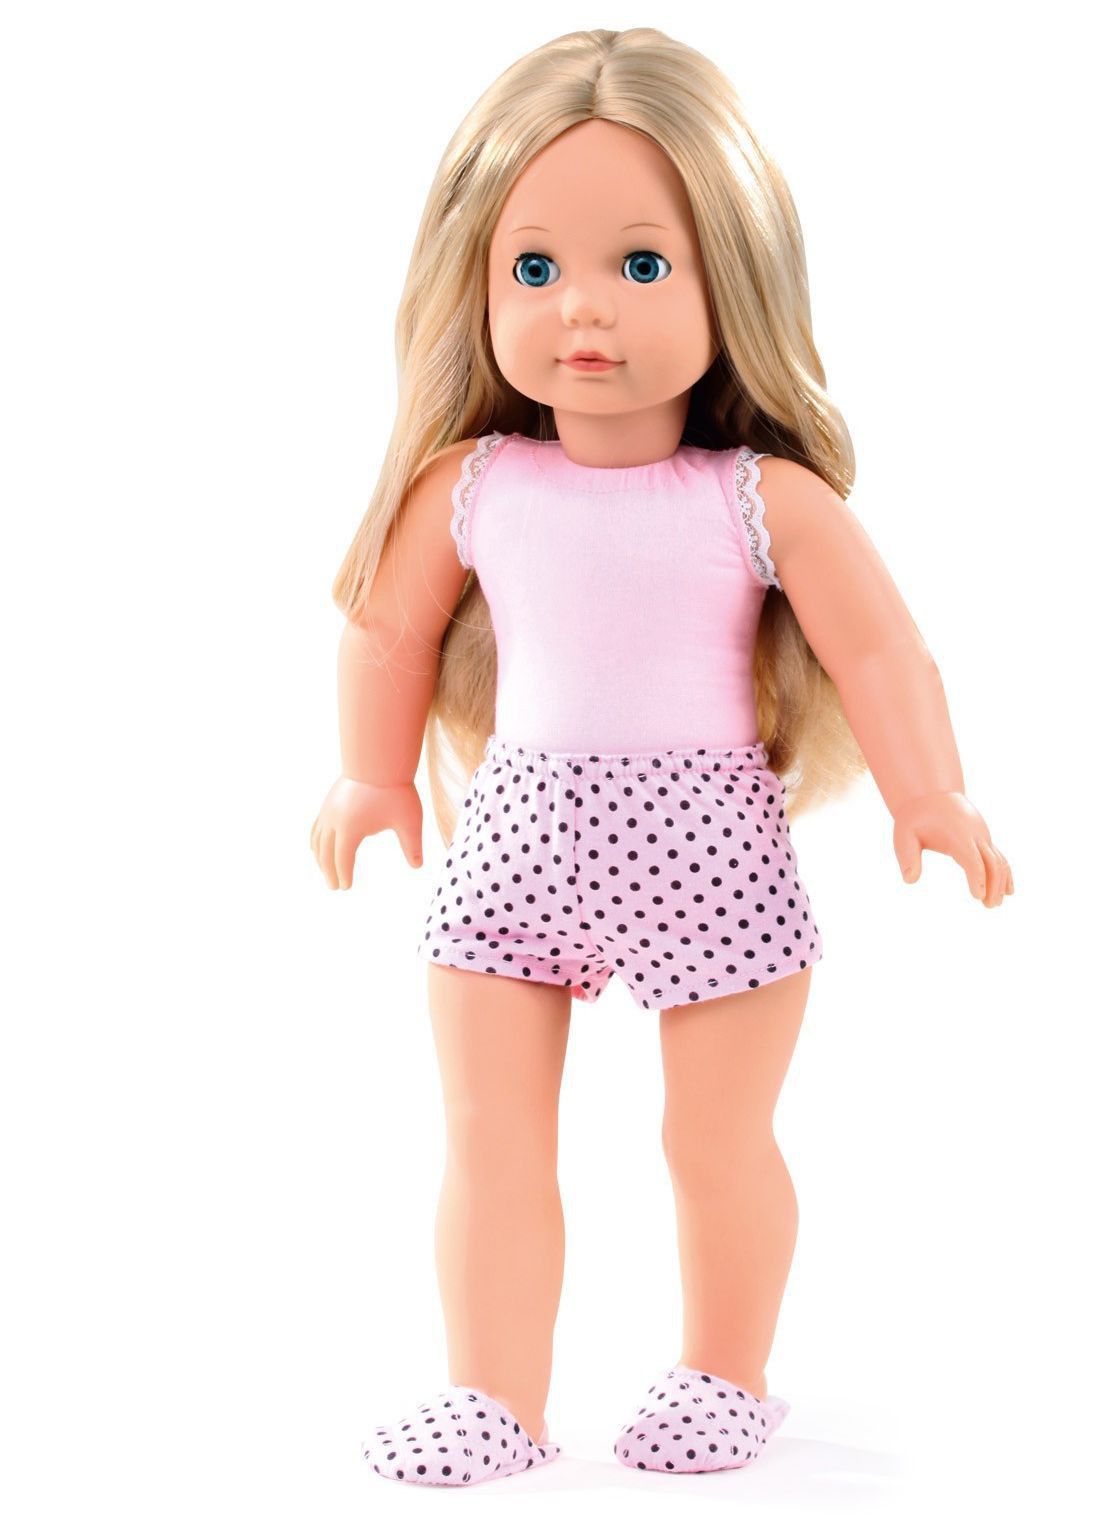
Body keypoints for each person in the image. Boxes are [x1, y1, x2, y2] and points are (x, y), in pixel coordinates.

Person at [310, 26, 1013, 1487]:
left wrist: (929, 790)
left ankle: (724, 1370)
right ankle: (493, 1393)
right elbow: (388, 630)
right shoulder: (471, 485)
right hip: (512, 848)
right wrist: (371, 773)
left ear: (731, 281)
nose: (583, 309)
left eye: (641, 264)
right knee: (491, 1137)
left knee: (716, 1140)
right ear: (474, 281)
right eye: (533, 267)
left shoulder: (762, 499)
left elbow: (882, 650)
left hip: (712, 852)